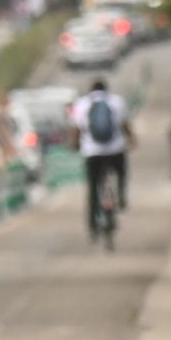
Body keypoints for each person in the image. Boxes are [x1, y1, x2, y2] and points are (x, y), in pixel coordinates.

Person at [70, 77, 134, 240]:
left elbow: (77, 131)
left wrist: (76, 145)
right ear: (106, 89)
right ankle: (120, 196)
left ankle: (92, 227)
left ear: (91, 90)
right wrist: (132, 140)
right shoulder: (117, 102)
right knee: (121, 170)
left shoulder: (82, 104)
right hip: (114, 151)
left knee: (92, 189)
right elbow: (125, 126)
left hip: (92, 153)